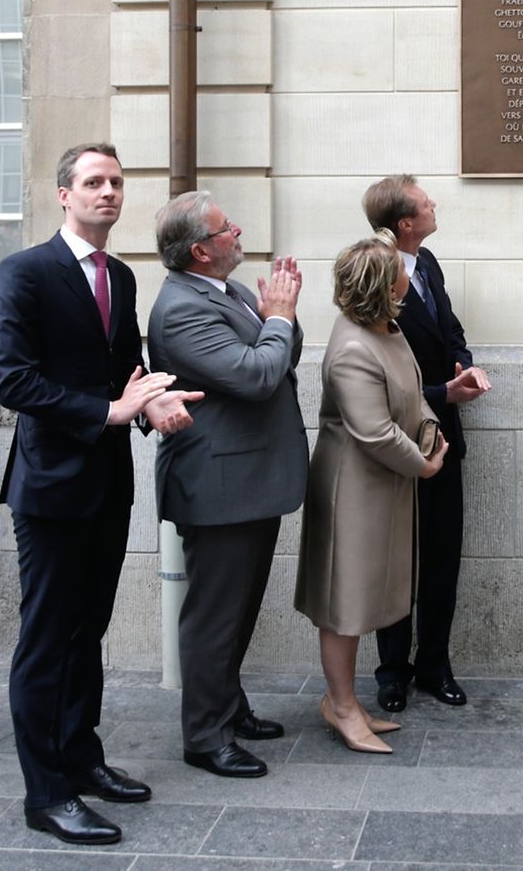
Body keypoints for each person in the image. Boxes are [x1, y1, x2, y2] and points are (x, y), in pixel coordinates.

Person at [0, 143, 201, 845]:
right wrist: (107, 411)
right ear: (64, 194)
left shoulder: (122, 276)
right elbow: (13, 380)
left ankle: (81, 758)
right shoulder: (24, 272)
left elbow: (124, 367)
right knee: (47, 641)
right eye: (92, 182)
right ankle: (45, 793)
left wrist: (151, 401)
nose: (107, 192)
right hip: (49, 488)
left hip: (109, 483)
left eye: (115, 181)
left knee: (89, 634)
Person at [148, 190, 308, 779]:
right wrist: (280, 319)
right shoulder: (180, 308)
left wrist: (278, 318)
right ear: (199, 250)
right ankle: (204, 736)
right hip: (218, 484)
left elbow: (281, 355)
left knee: (238, 609)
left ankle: (229, 707)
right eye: (226, 228)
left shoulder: (231, 291)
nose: (238, 231)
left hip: (252, 478)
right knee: (214, 616)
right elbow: (259, 374)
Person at [295, 231, 450, 752]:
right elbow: (375, 431)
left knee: (363, 597)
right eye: (399, 269)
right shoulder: (354, 347)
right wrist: (424, 467)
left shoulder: (389, 328)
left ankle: (346, 702)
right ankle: (340, 707)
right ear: (385, 285)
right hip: (352, 492)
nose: (410, 272)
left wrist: (430, 432)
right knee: (344, 602)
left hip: (383, 484)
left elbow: (411, 393)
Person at [362, 176, 491, 712]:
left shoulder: (429, 262)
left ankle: (434, 665)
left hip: (444, 436)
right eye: (424, 203)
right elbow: (377, 371)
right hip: (398, 441)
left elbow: (450, 327)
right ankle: (392, 672)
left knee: (441, 557)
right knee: (397, 561)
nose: (434, 204)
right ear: (403, 223)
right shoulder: (374, 272)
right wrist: (444, 391)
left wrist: (466, 364)